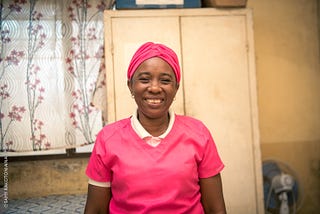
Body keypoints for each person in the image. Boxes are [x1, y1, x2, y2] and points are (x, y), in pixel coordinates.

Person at [84, 42, 226, 214]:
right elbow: (96, 210)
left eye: (165, 80)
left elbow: (215, 208)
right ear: (130, 85)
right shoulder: (108, 139)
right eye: (144, 79)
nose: (154, 88)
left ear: (176, 88)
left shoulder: (199, 133)